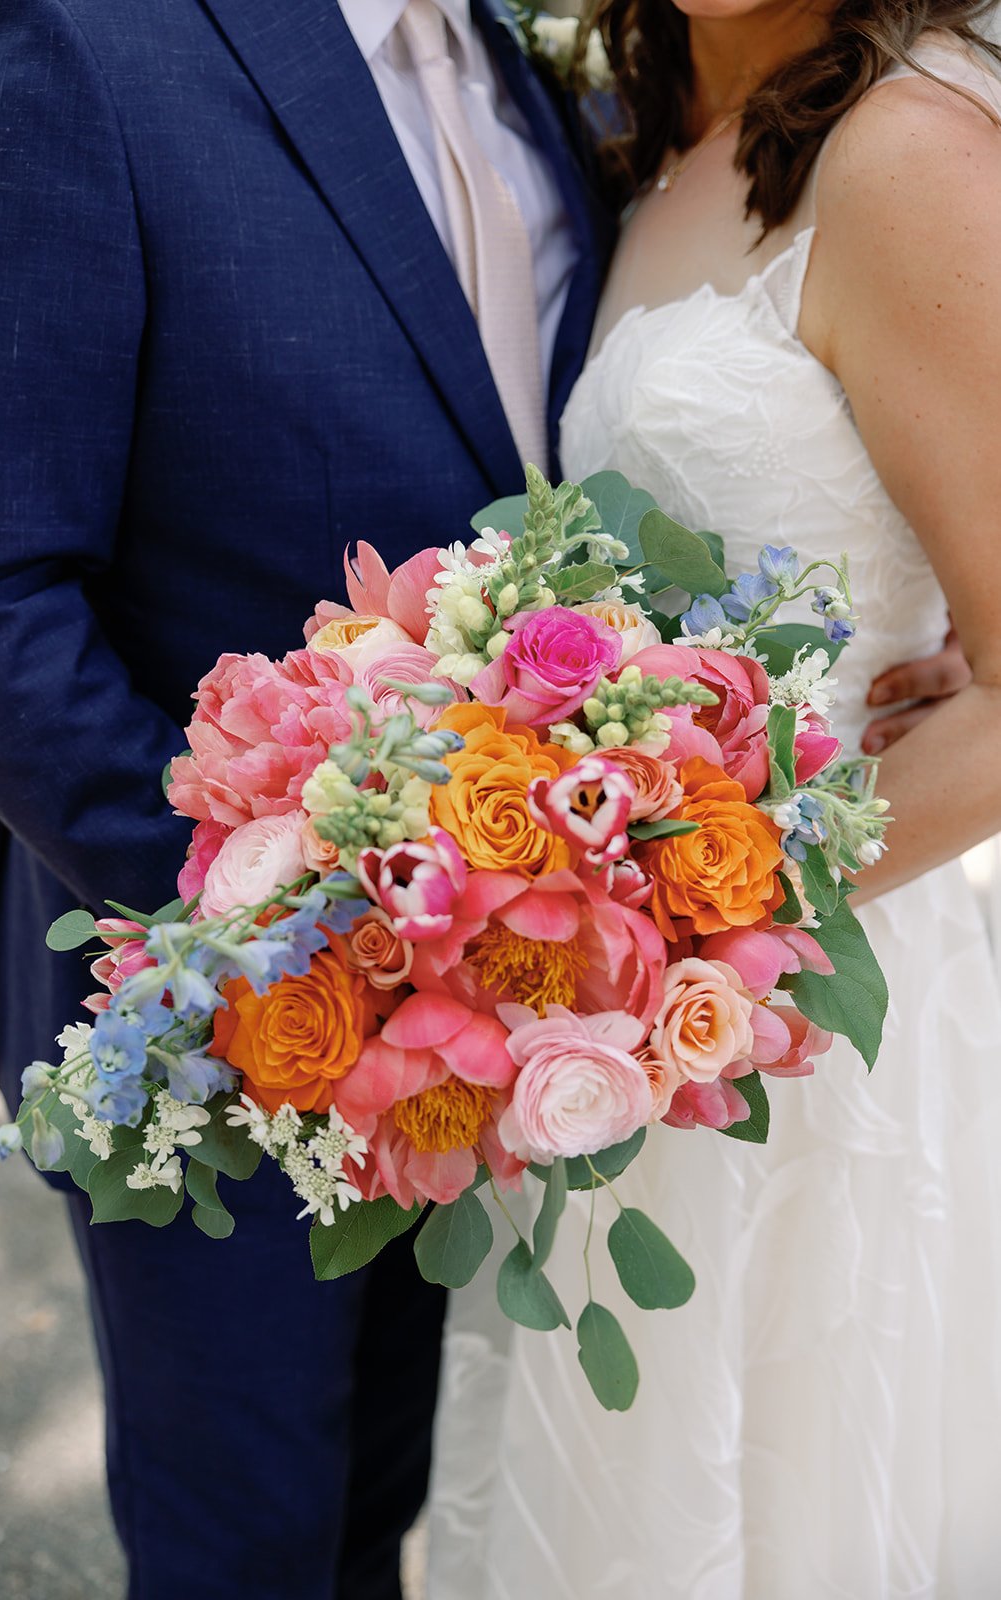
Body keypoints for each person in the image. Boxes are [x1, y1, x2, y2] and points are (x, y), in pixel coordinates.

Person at [0, 2, 610, 1595]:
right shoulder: (73, 48)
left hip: (498, 1016)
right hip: (215, 1020)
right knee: (245, 1549)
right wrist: (284, 940)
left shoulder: (527, 69)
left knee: (387, 1497)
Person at [425, 4, 1001, 1597]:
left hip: (793, 1015)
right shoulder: (642, 120)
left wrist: (681, 917)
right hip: (604, 1019)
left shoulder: (909, 155)